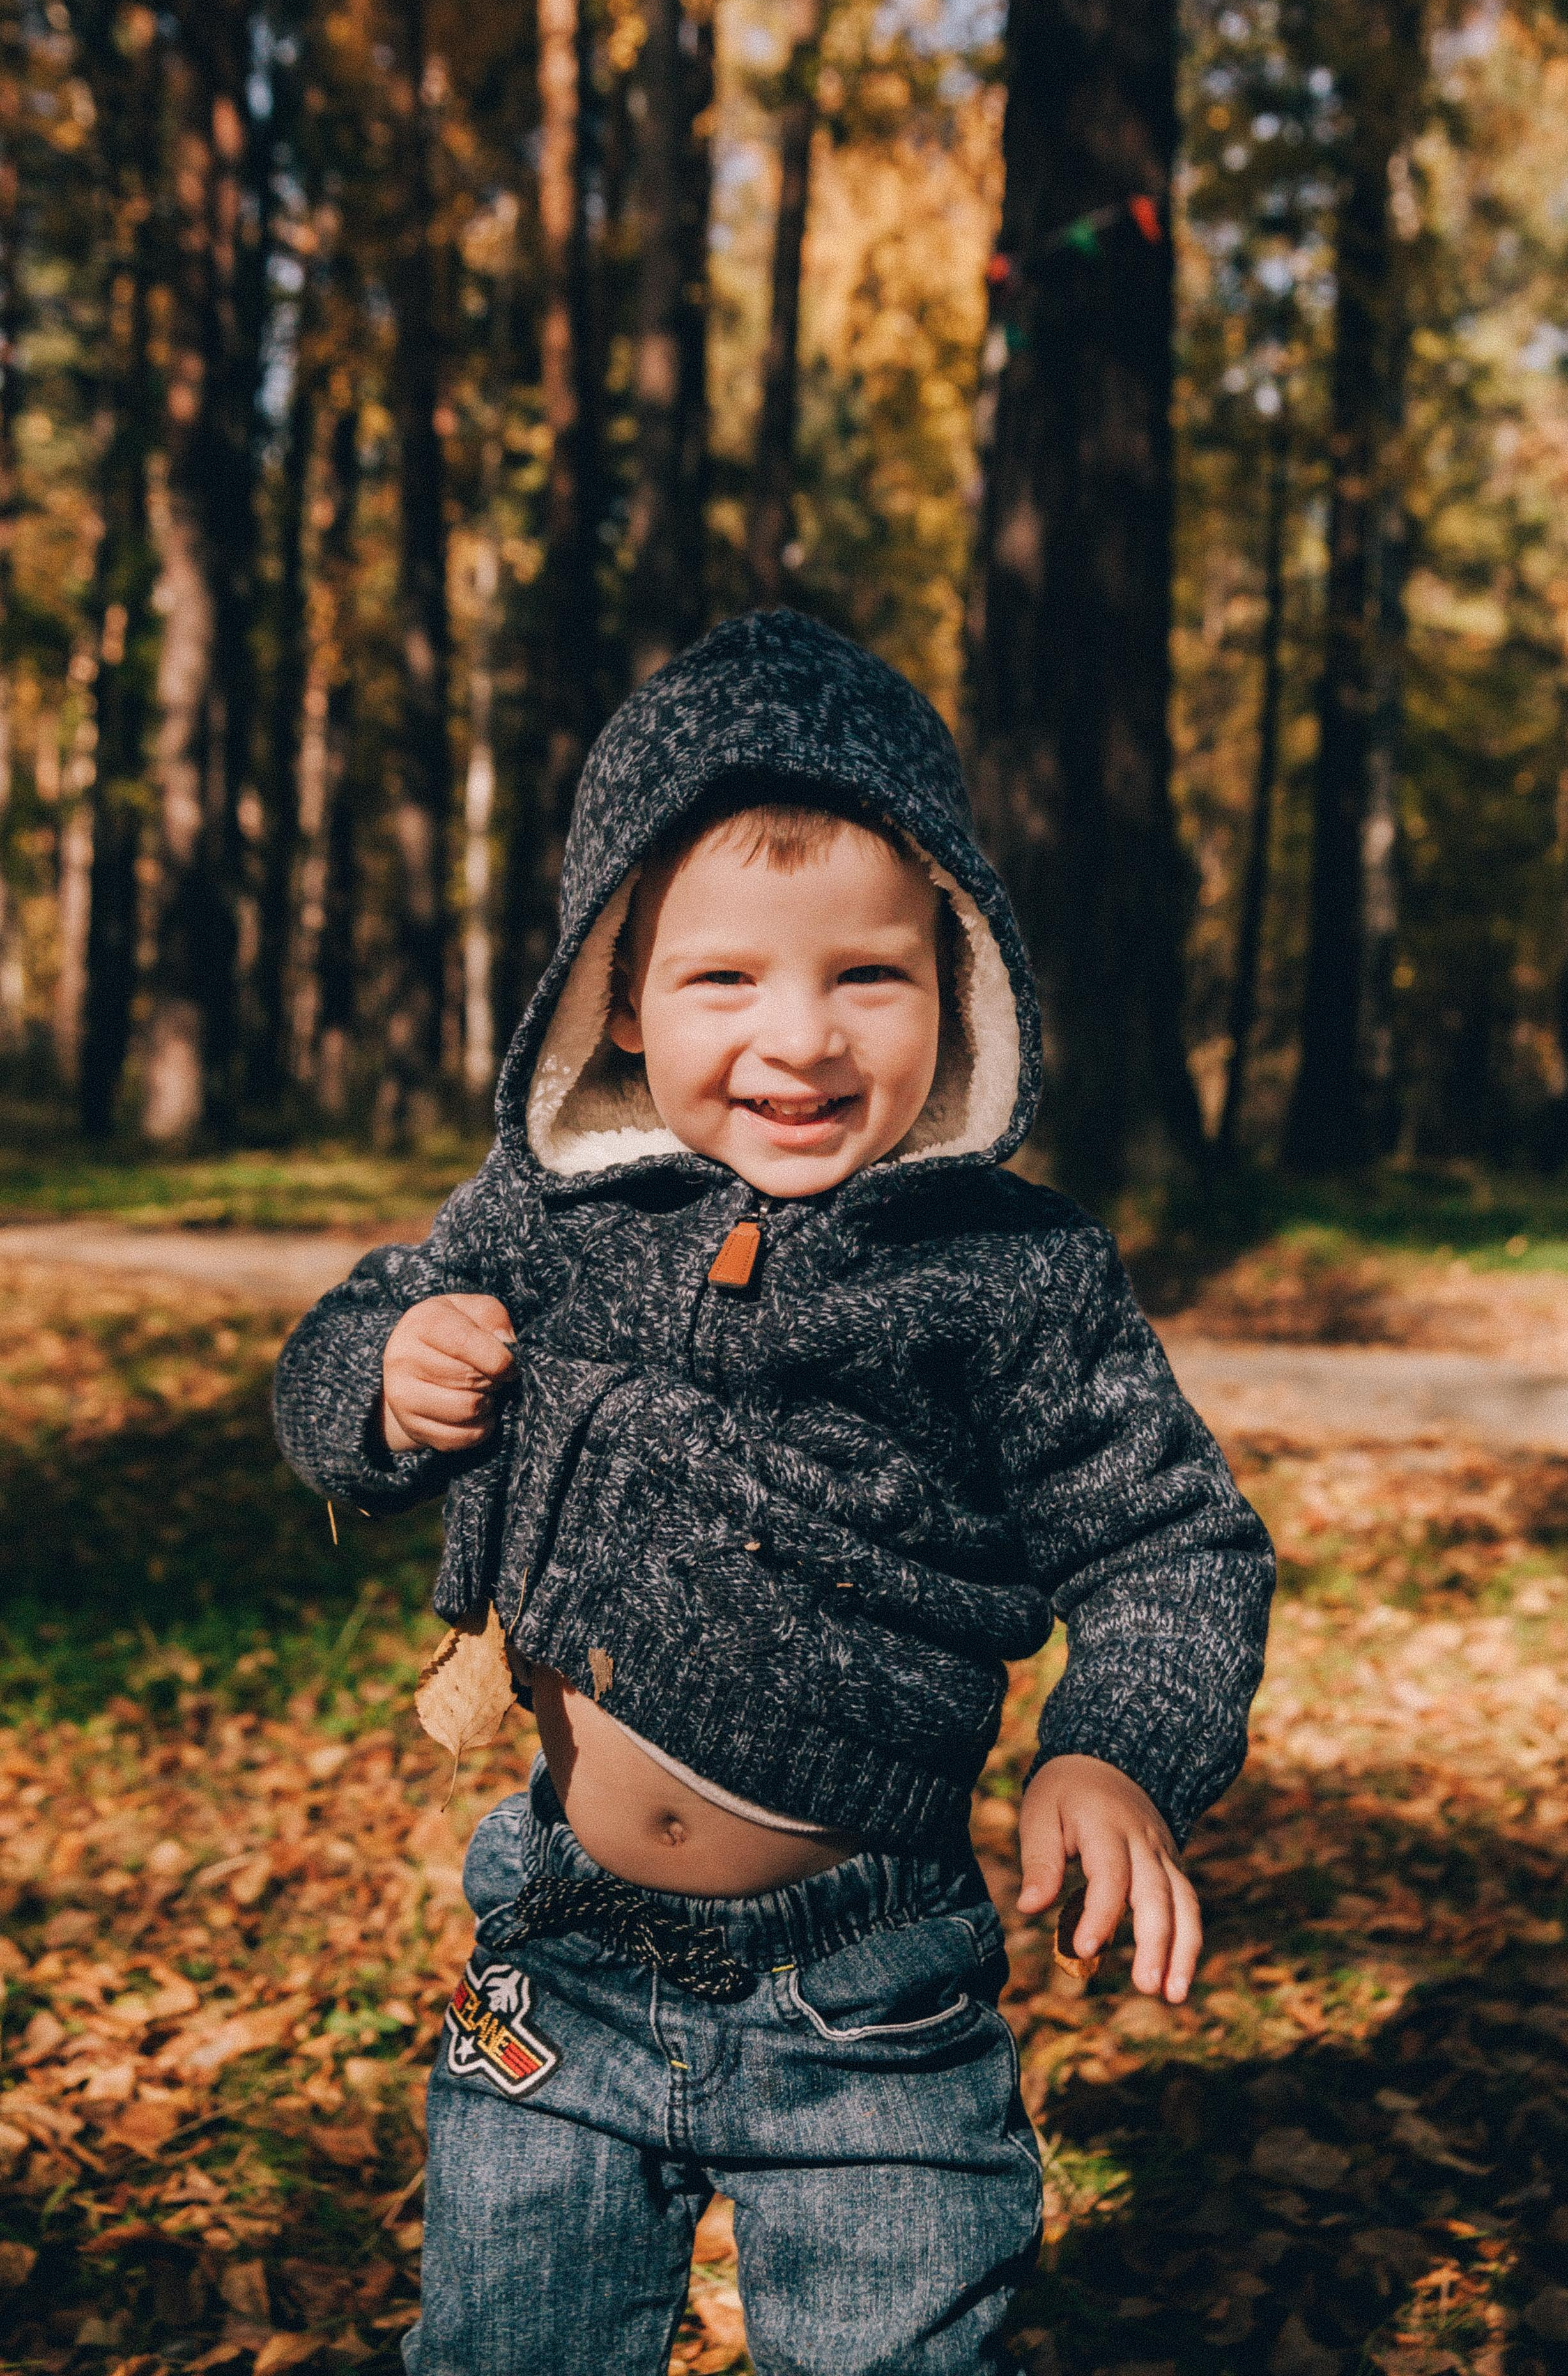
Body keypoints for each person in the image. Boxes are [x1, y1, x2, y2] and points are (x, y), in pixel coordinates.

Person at [273, 609, 1274, 2376]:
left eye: (868, 976)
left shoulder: (1011, 1274)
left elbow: (1168, 1540)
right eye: (724, 979)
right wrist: (386, 1374)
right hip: (553, 1953)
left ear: (959, 978)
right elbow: (345, 1344)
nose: (797, 1040)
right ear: (617, 994)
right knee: (506, 2346)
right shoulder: (548, 1214)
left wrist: (1117, 1745)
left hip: (871, 1988)